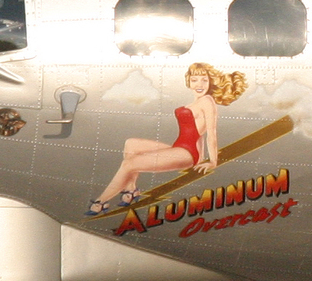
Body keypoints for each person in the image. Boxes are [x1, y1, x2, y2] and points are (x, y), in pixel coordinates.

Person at [88, 61, 247, 214]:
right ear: (189, 82)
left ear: (210, 82)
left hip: (188, 153)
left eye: (204, 80)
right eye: (195, 80)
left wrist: (213, 162)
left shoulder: (207, 101)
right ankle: (131, 189)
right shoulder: (196, 102)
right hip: (179, 147)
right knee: (131, 144)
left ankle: (101, 202)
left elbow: (211, 133)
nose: (199, 84)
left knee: (129, 164)